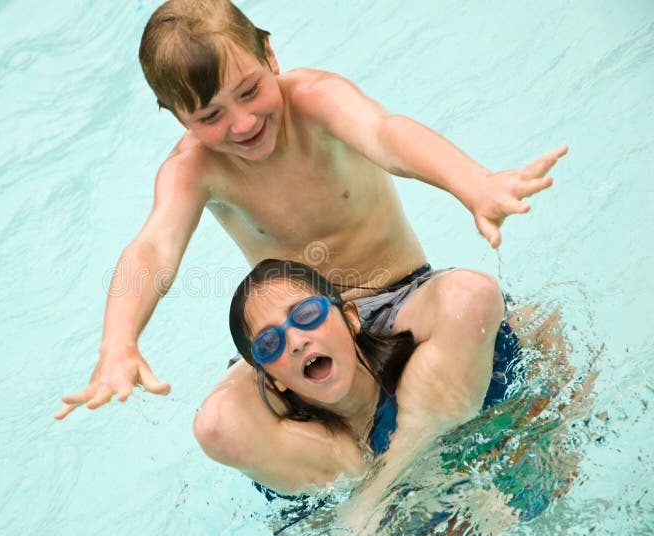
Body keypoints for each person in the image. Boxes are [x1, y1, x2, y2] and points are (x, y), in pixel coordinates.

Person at [54, 0, 566, 466]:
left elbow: (386, 134)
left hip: (401, 299)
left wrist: (471, 182)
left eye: (250, 90)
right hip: (296, 338)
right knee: (218, 426)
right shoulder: (193, 169)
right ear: (179, 118)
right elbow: (153, 247)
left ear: (270, 55)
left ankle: (398, 467)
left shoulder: (316, 100)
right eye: (210, 116)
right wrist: (118, 343)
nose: (243, 122)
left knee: (472, 298)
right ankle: (356, 479)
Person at [222, 259, 512, 532]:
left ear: (351, 320)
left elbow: (476, 294)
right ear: (272, 379)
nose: (296, 342)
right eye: (270, 342)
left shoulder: (422, 368)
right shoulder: (296, 462)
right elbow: (214, 428)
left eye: (308, 314)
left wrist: (374, 490)